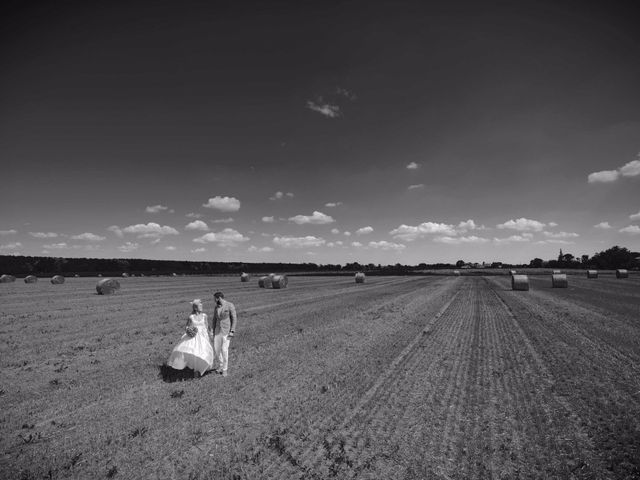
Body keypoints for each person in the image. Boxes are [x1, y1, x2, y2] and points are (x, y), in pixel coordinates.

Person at [167, 299, 214, 377]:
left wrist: (211, 333)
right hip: (194, 337)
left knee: (204, 351)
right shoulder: (191, 317)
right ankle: (196, 370)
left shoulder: (205, 316)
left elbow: (207, 326)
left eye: (202, 305)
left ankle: (202, 367)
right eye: (200, 306)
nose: (202, 307)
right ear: (195, 308)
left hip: (203, 337)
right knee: (196, 352)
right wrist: (189, 331)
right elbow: (187, 327)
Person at [209, 291, 237, 377]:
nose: (214, 300)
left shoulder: (229, 305)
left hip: (226, 331)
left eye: (215, 299)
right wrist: (213, 330)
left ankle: (225, 369)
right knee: (217, 350)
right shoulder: (216, 307)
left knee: (224, 350)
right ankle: (221, 365)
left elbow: (234, 318)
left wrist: (232, 331)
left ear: (219, 298)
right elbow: (214, 319)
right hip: (217, 331)